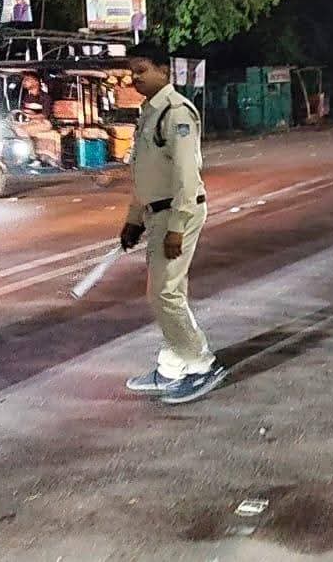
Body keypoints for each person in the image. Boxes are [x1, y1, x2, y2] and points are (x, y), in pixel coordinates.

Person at [117, 43, 228, 404]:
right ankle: (172, 366)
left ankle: (201, 363)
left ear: (164, 71)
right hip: (157, 213)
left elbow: (186, 175)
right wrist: (134, 219)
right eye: (132, 72)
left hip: (177, 213)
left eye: (142, 70)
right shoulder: (149, 113)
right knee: (165, 293)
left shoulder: (176, 112)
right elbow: (145, 173)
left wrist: (177, 226)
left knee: (165, 293)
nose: (135, 78)